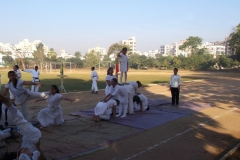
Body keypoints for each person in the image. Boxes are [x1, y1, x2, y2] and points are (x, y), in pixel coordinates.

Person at [0, 94, 44, 160]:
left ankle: (9, 131)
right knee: (20, 122)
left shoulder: (23, 153)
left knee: (20, 122)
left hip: (30, 140)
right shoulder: (29, 155)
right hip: (33, 138)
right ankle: (9, 132)